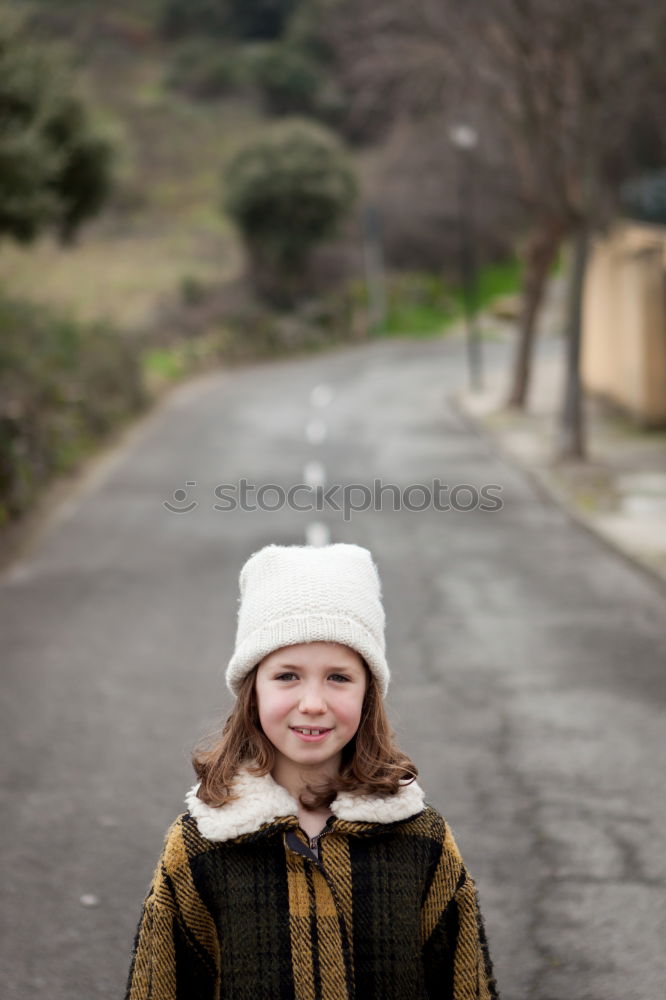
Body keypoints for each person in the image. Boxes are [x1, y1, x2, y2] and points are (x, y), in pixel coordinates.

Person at [125, 543, 499, 999]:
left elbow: (466, 984)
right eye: (287, 675)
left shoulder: (423, 841)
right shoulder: (198, 847)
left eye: (339, 677)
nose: (313, 703)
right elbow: (159, 986)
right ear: (253, 691)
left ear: (368, 694)